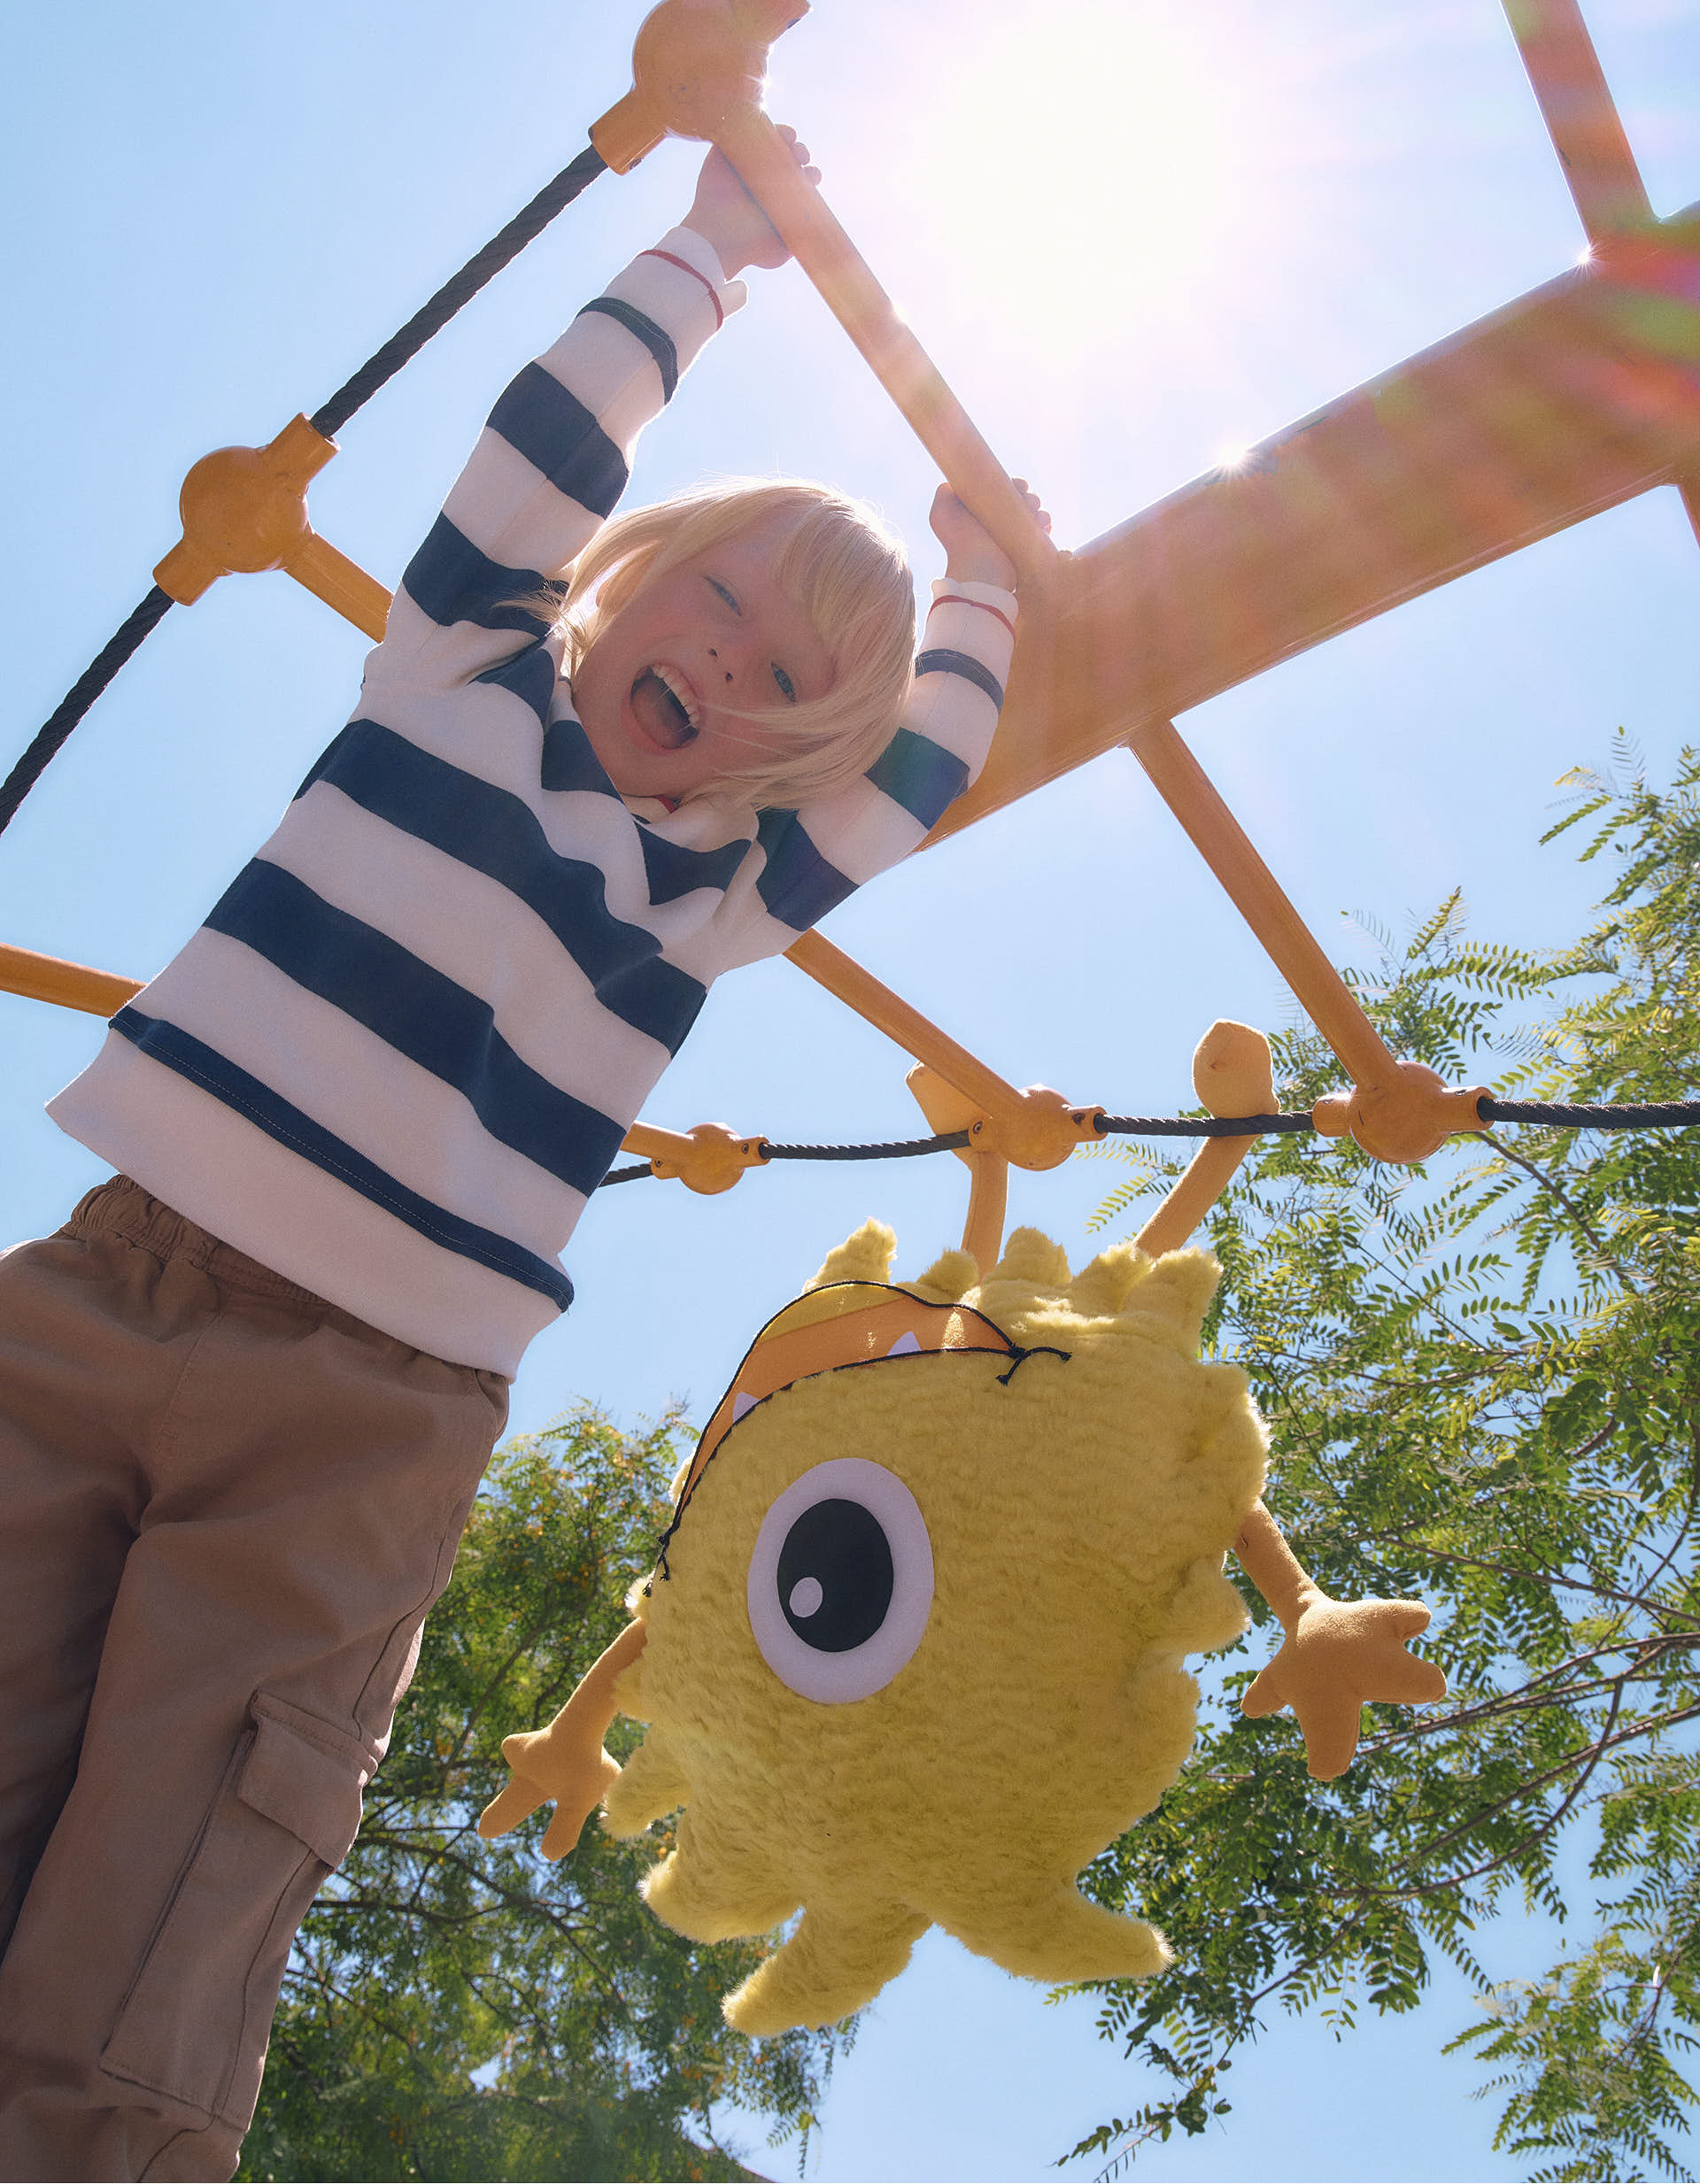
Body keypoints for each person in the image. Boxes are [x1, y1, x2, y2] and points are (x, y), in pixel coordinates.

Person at [0, 134, 1042, 2181]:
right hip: (112, 1285)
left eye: (785, 688)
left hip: (360, 1416)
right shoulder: (460, 662)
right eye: (718, 602)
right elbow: (543, 438)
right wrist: (719, 247)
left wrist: (988, 580)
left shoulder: (707, 903)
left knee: (167, 1904)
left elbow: (913, 776)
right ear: (628, 577)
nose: (728, 665)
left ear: (784, 765)